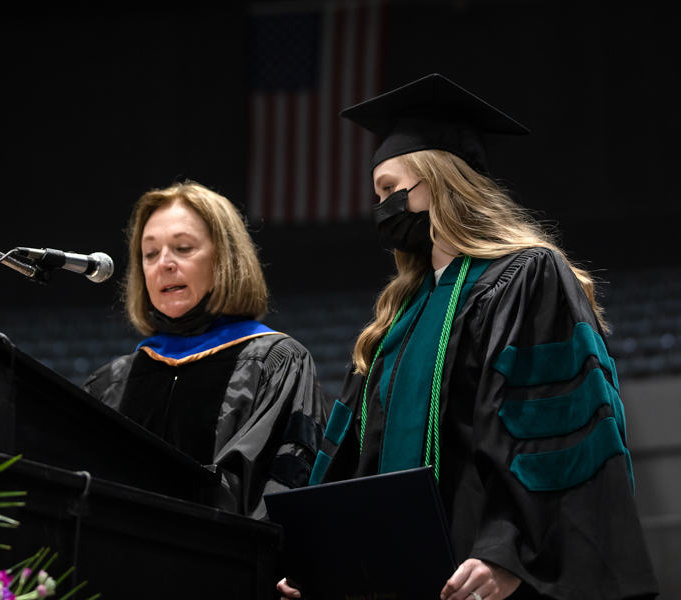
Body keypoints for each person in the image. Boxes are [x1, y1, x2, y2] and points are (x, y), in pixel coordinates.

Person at [278, 75, 658, 599]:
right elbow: (356, 458)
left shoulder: (528, 276)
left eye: (391, 188)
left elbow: (549, 432)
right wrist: (314, 556)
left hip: (480, 575)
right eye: (377, 195)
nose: (382, 206)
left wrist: (510, 551)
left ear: (443, 179)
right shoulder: (396, 318)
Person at [84, 181, 327, 520]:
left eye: (183, 248)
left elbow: (287, 481)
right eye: (150, 253)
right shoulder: (113, 382)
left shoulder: (275, 362)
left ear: (224, 259)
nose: (163, 263)